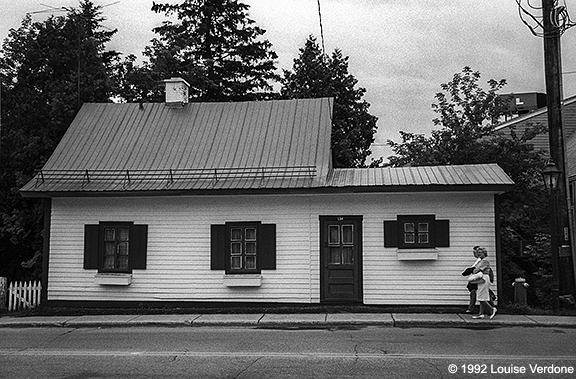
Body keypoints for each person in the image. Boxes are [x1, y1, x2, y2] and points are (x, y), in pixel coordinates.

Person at [471, 247, 497, 319]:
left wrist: (474, 270)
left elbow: (475, 270)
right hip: (482, 277)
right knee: (482, 296)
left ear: (484, 253)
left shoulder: (484, 261)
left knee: (481, 297)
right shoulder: (482, 260)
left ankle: (492, 309)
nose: (478, 254)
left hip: (484, 278)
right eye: (477, 252)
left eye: (480, 252)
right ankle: (481, 314)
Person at [465, 246, 482, 313]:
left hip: (478, 279)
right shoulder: (478, 260)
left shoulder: (480, 260)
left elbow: (475, 269)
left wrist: (468, 271)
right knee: (475, 293)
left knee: (474, 293)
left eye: (475, 252)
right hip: (475, 278)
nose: (474, 254)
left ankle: (470, 309)